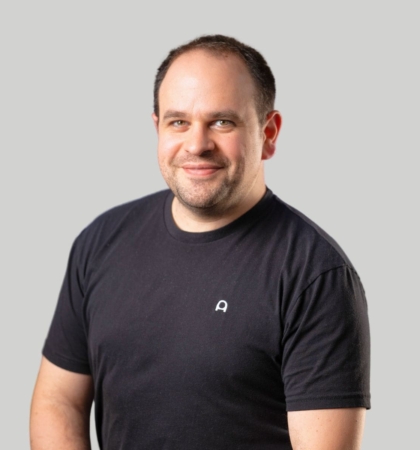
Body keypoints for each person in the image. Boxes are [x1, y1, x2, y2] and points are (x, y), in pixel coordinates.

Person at [30, 35, 370, 450]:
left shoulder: (314, 275)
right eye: (179, 122)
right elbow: (57, 400)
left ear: (269, 131)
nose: (197, 144)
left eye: (222, 122)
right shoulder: (100, 241)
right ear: (157, 127)